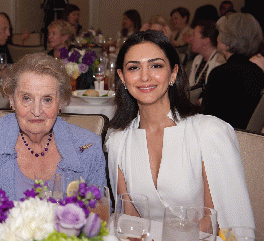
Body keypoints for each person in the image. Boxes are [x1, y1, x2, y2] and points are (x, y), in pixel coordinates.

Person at [106, 30, 254, 229]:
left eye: (156, 65)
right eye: (134, 68)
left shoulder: (209, 133)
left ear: (173, 73)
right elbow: (129, 219)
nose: (144, 76)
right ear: (122, 78)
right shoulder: (119, 141)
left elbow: (216, 223)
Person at [0, 53, 107, 200]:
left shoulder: (88, 147)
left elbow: (100, 213)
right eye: (26, 98)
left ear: (61, 103)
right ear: (12, 100)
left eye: (47, 99)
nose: (36, 111)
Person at [202, 13, 264, 129]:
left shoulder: (220, 73)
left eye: (220, 33)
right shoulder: (257, 72)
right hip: (246, 140)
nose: (217, 37)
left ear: (228, 40)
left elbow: (208, 119)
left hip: (223, 140)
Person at [187, 20, 224, 88]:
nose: (190, 39)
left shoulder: (219, 61)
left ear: (206, 40)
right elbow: (190, 86)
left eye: (194, 35)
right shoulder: (197, 59)